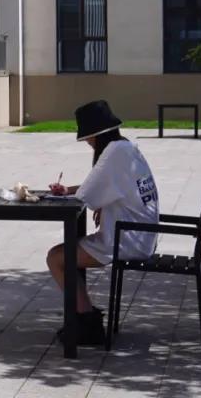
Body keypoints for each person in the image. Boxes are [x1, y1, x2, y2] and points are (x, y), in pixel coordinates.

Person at [46, 100, 160, 345]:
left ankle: (86, 323)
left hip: (126, 239)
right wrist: (69, 190)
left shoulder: (113, 153)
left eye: (88, 138)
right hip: (139, 235)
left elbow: (87, 195)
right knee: (65, 254)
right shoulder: (126, 147)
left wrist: (88, 198)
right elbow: (100, 189)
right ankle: (86, 317)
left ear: (97, 134)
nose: (87, 143)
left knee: (56, 258)